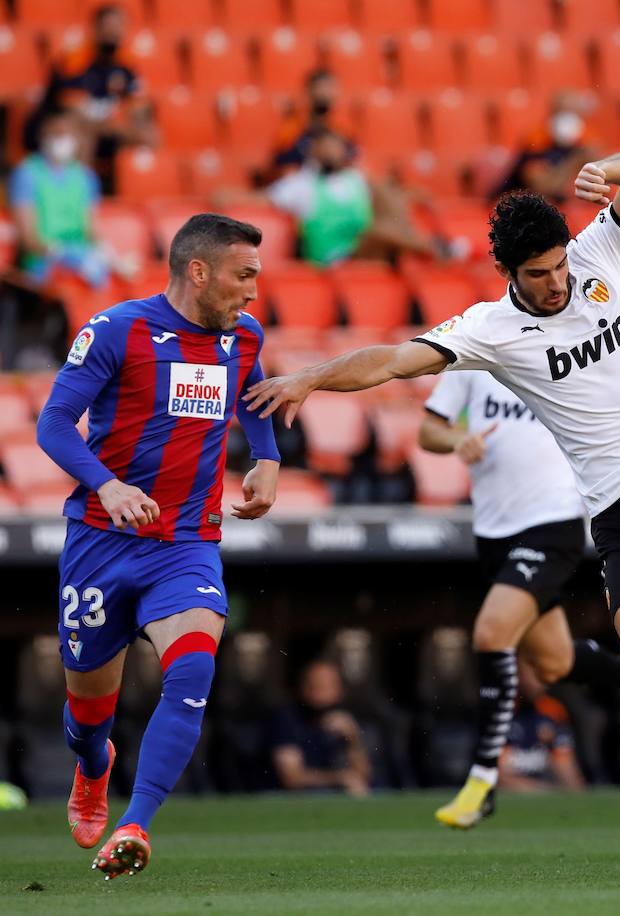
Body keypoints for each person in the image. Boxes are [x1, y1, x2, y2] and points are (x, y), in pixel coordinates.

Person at [245, 150, 620, 867]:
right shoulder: (490, 330)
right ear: (509, 276)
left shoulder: (602, 251)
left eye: (558, 268)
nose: (556, 284)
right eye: (538, 275)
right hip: (615, 512)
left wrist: (604, 167)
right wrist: (311, 376)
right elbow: (392, 359)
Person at [34, 213, 281, 879]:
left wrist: (267, 459)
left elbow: (255, 400)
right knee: (89, 711)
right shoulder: (118, 329)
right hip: (101, 542)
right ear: (197, 271)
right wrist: (107, 485)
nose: (254, 291)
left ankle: (136, 823)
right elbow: (53, 423)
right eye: (244, 275)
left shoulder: (245, 337)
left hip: (185, 544)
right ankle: (94, 767)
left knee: (194, 667)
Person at [419, 369, 620, 828]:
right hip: (493, 536)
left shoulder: (559, 354)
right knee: (553, 663)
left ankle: (481, 782)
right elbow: (427, 430)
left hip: (553, 524)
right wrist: (459, 438)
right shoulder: (471, 358)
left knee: (492, 634)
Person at [262, 127, 444, 265]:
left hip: (363, 251)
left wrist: (414, 194)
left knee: (388, 209)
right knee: (377, 232)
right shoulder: (301, 184)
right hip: (331, 259)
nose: (330, 151)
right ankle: (437, 249)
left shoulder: (355, 178)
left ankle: (432, 252)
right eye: (325, 146)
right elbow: (263, 198)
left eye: (335, 145)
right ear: (313, 150)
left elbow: (391, 192)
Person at [30, 3, 155, 189]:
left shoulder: (127, 63)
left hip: (107, 126)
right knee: (85, 134)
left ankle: (140, 200)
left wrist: (126, 122)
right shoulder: (75, 58)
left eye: (118, 26)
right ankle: (80, 194)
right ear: (95, 29)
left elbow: (140, 107)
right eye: (108, 27)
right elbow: (72, 107)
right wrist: (109, 124)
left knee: (149, 134)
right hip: (58, 124)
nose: (113, 32)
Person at [9, 107, 116, 289]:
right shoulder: (27, 173)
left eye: (66, 134)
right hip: (42, 260)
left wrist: (108, 254)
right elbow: (28, 239)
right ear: (43, 137)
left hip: (81, 253)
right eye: (56, 134)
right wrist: (59, 253)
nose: (61, 140)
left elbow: (91, 229)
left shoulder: (85, 177)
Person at [270, 659, 371, 797]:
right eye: (313, 685)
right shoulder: (287, 718)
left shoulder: (343, 717)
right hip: (293, 798)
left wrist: (353, 738)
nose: (318, 692)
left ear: (339, 689)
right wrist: (340, 779)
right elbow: (291, 778)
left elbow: (362, 776)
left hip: (335, 793)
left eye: (325, 686)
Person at [497, 662, 587, 793]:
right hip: (516, 792)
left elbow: (566, 767)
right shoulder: (503, 711)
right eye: (529, 674)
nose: (534, 682)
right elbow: (498, 776)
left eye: (539, 675)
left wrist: (575, 789)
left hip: (544, 787)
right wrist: (543, 790)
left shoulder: (554, 710)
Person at [494, 93, 600, 202]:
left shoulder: (581, 143)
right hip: (515, 206)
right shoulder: (536, 141)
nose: (569, 120)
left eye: (574, 113)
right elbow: (543, 188)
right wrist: (574, 162)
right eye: (563, 112)